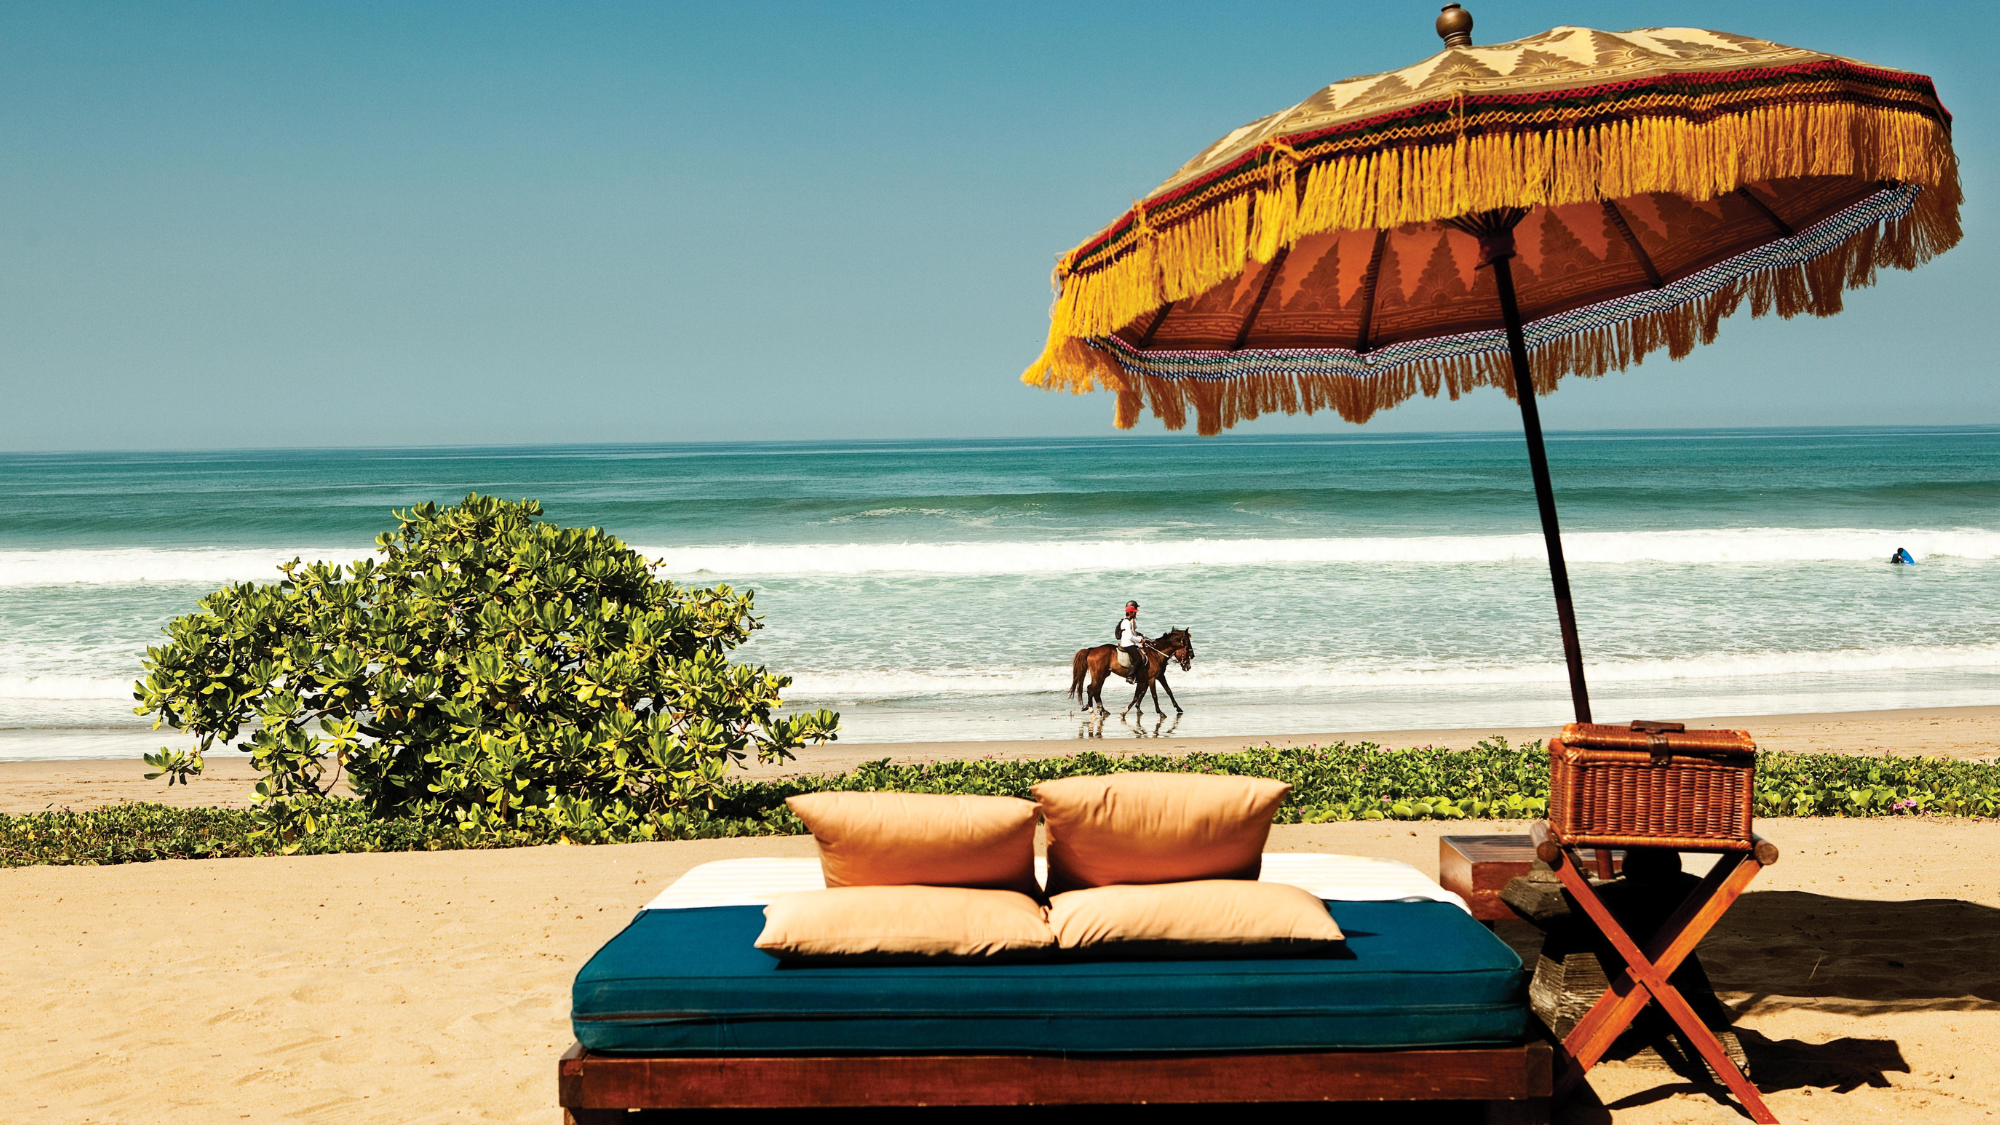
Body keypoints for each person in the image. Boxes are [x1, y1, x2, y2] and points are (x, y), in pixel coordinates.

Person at [1115, 600, 1150, 684]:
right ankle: (1130, 676)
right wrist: (1141, 640)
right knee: (1138, 659)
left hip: (1129, 643)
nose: (1135, 614)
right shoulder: (1127, 623)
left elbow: (1132, 634)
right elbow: (1130, 636)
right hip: (1128, 644)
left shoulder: (1127, 622)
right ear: (1130, 613)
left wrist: (1140, 635)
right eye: (1134, 612)